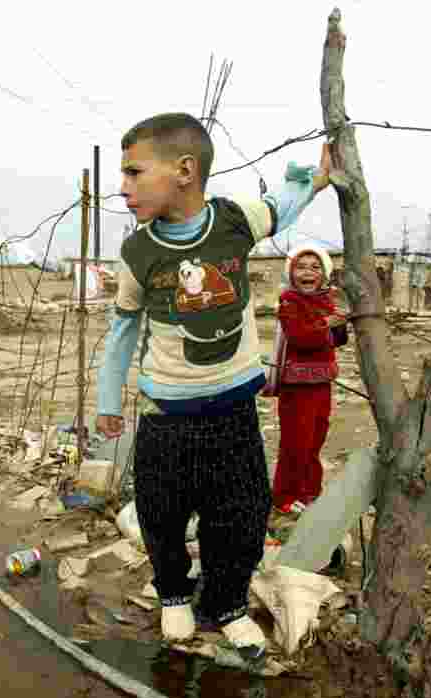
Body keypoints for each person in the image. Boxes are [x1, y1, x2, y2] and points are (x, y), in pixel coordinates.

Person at [95, 112, 336, 654]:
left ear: (184, 170)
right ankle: (176, 595)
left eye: (134, 173)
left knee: (243, 514)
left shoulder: (232, 222)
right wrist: (108, 399)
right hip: (166, 419)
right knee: (161, 513)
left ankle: (226, 602)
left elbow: (280, 206)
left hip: (234, 415)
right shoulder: (138, 253)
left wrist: (315, 180)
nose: (123, 187)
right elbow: (122, 329)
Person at [265, 244, 348, 543]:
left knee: (315, 441)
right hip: (297, 387)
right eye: (301, 267)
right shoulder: (289, 302)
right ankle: (284, 499)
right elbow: (300, 338)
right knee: (294, 444)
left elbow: (338, 340)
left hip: (321, 384)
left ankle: (310, 494)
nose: (308, 272)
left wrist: (339, 323)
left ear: (324, 274)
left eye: (315, 267)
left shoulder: (327, 300)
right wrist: (328, 323)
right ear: (291, 272)